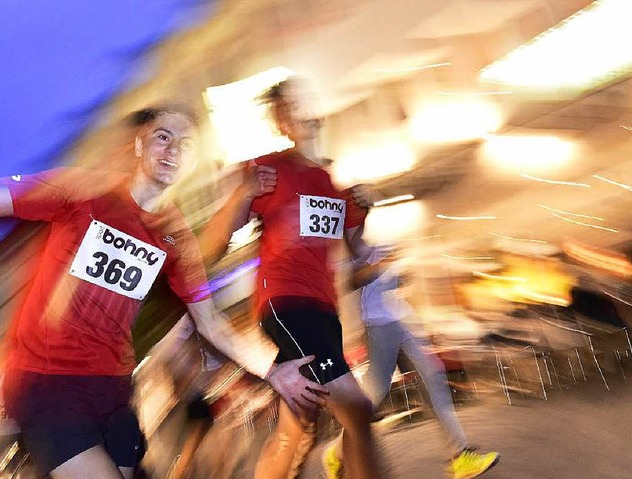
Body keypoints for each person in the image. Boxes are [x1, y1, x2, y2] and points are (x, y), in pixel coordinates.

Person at [0, 104, 327, 479]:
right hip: (47, 383)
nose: (173, 150)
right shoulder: (84, 191)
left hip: (114, 391)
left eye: (185, 145)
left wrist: (273, 371)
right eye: (163, 137)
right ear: (139, 146)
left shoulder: (176, 236)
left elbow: (210, 323)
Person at [211, 78, 383, 479]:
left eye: (304, 102)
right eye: (288, 108)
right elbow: (217, 240)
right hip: (286, 304)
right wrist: (241, 194)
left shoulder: (334, 186)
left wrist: (366, 207)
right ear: (281, 122)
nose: (299, 112)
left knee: (298, 421)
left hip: (324, 309)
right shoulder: (267, 168)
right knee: (356, 410)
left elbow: (359, 254)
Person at [323, 246, 500, 479]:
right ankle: (337, 453)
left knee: (433, 377)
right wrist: (384, 263)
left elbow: (390, 280)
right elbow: (351, 280)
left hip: (399, 316)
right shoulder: (350, 236)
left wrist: (400, 272)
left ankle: (460, 457)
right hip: (376, 323)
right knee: (375, 393)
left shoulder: (376, 232)